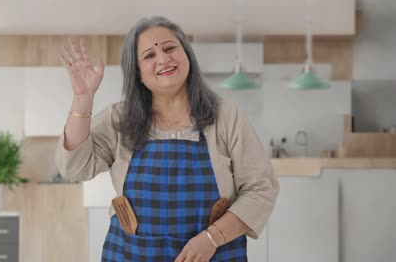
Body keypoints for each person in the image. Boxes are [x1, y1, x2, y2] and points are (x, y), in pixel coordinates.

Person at [55, 16, 279, 262]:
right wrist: (83, 97)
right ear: (138, 73)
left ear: (187, 55)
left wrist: (211, 238)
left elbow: (261, 189)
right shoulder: (118, 118)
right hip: (132, 254)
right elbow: (74, 167)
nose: (163, 58)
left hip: (215, 255)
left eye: (170, 48)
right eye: (149, 55)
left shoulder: (226, 116)